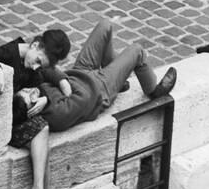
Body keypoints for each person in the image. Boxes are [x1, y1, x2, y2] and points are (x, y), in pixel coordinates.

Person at [13, 19, 177, 133]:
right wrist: (49, 99)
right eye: (30, 98)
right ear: (33, 112)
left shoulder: (35, 92)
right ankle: (154, 90)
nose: (31, 91)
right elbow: (85, 99)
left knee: (105, 26)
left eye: (25, 92)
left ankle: (118, 77)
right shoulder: (56, 115)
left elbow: (46, 70)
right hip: (100, 87)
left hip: (79, 73)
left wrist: (62, 80)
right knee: (137, 51)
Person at [0, 28, 71, 189]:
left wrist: (44, 98)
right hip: (3, 123)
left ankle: (38, 188)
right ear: (35, 45)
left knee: (42, 132)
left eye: (40, 64)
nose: (36, 66)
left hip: (18, 117)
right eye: (37, 60)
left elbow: (40, 83)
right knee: (42, 142)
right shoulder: (11, 52)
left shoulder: (33, 66)